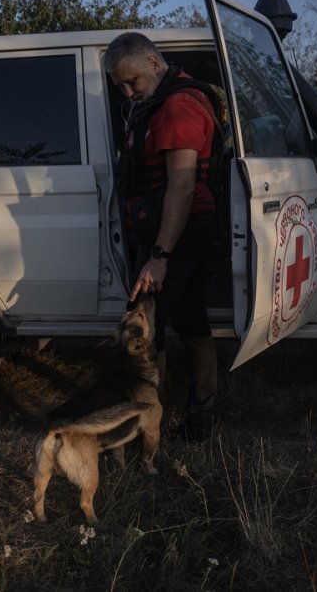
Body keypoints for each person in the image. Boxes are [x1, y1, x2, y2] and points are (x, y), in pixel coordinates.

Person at [103, 32, 220, 440]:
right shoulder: (161, 100)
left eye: (131, 81)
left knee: (144, 326)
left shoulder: (177, 107)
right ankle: (199, 420)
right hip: (177, 229)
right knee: (191, 319)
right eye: (120, 85)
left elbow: (182, 187)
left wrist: (159, 256)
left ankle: (146, 424)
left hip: (176, 232)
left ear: (153, 63)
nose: (127, 92)